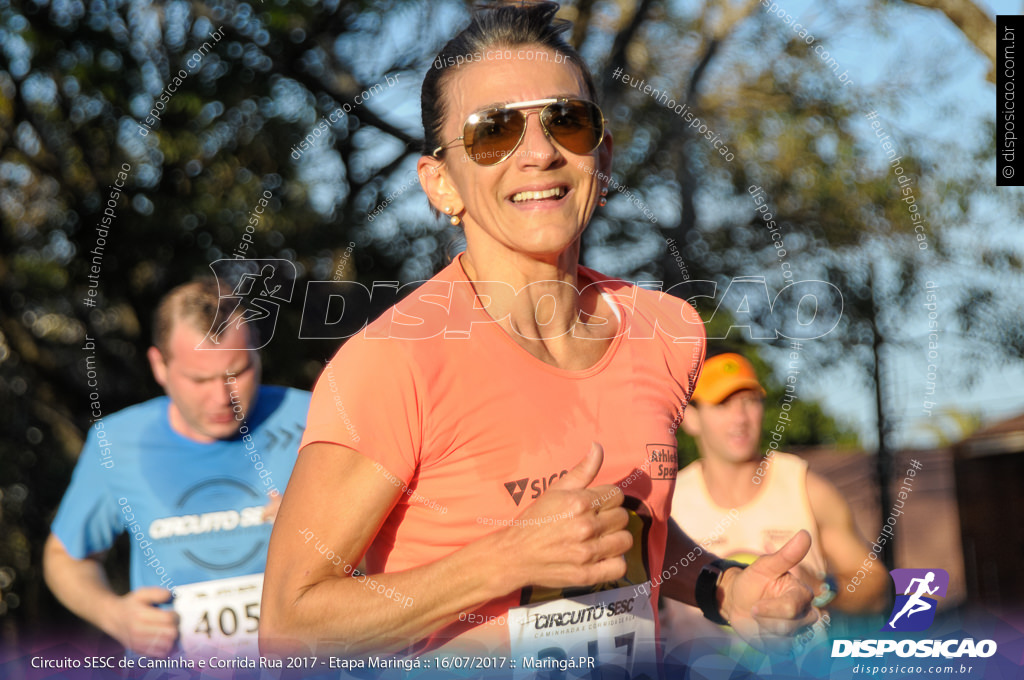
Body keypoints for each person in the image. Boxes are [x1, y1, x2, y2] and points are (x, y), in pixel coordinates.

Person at [261, 3, 818, 673]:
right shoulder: (396, 362)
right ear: (441, 184)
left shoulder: (666, 331)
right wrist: (503, 558)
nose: (539, 152)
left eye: (567, 120)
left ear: (602, 157)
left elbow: (630, 527)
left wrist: (722, 586)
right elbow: (288, 626)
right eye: (492, 130)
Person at [44, 278, 311, 658]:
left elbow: (400, 543)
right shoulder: (117, 443)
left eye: (237, 373)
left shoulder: (314, 420)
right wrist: (114, 615)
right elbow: (65, 558)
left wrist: (326, 527)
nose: (222, 397)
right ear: (160, 366)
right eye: (199, 379)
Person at [662, 351, 889, 659]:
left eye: (750, 401)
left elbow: (876, 588)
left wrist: (822, 592)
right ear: (690, 418)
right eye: (722, 403)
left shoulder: (808, 488)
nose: (740, 418)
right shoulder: (667, 501)